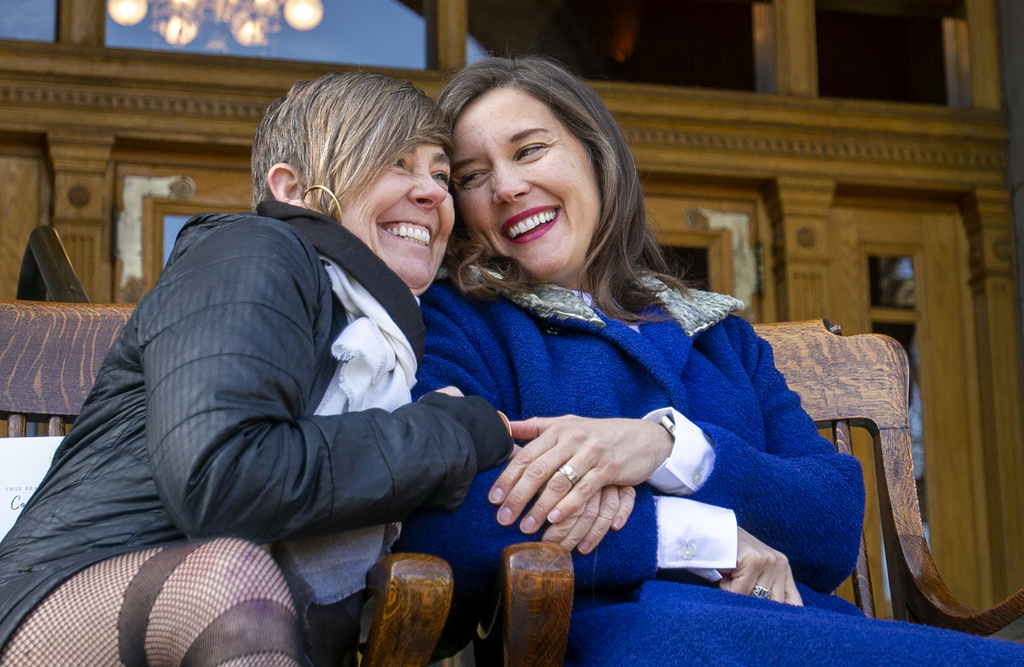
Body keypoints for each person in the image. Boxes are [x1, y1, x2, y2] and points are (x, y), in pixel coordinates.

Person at [395, 56, 1024, 664]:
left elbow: (830, 523)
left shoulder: (721, 335)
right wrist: (696, 533)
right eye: (472, 176)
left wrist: (669, 449)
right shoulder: (459, 324)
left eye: (529, 150)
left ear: (595, 154)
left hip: (799, 629)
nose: (506, 187)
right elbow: (439, 520)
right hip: (629, 639)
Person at [0, 72, 512, 667]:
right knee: (227, 581)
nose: (432, 193)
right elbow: (224, 479)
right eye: (395, 162)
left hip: (236, 624)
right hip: (70, 598)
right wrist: (449, 431)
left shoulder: (386, 344)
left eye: (442, 175)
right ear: (292, 188)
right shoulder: (253, 249)